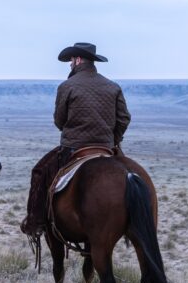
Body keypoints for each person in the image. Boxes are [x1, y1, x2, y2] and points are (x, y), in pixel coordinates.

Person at [20, 42, 131, 236]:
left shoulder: (67, 86)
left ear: (78, 60)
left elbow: (59, 120)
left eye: (71, 60)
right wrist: (113, 140)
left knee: (39, 172)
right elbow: (124, 118)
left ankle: (35, 223)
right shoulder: (113, 87)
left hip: (74, 148)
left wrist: (73, 131)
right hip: (105, 147)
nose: (70, 64)